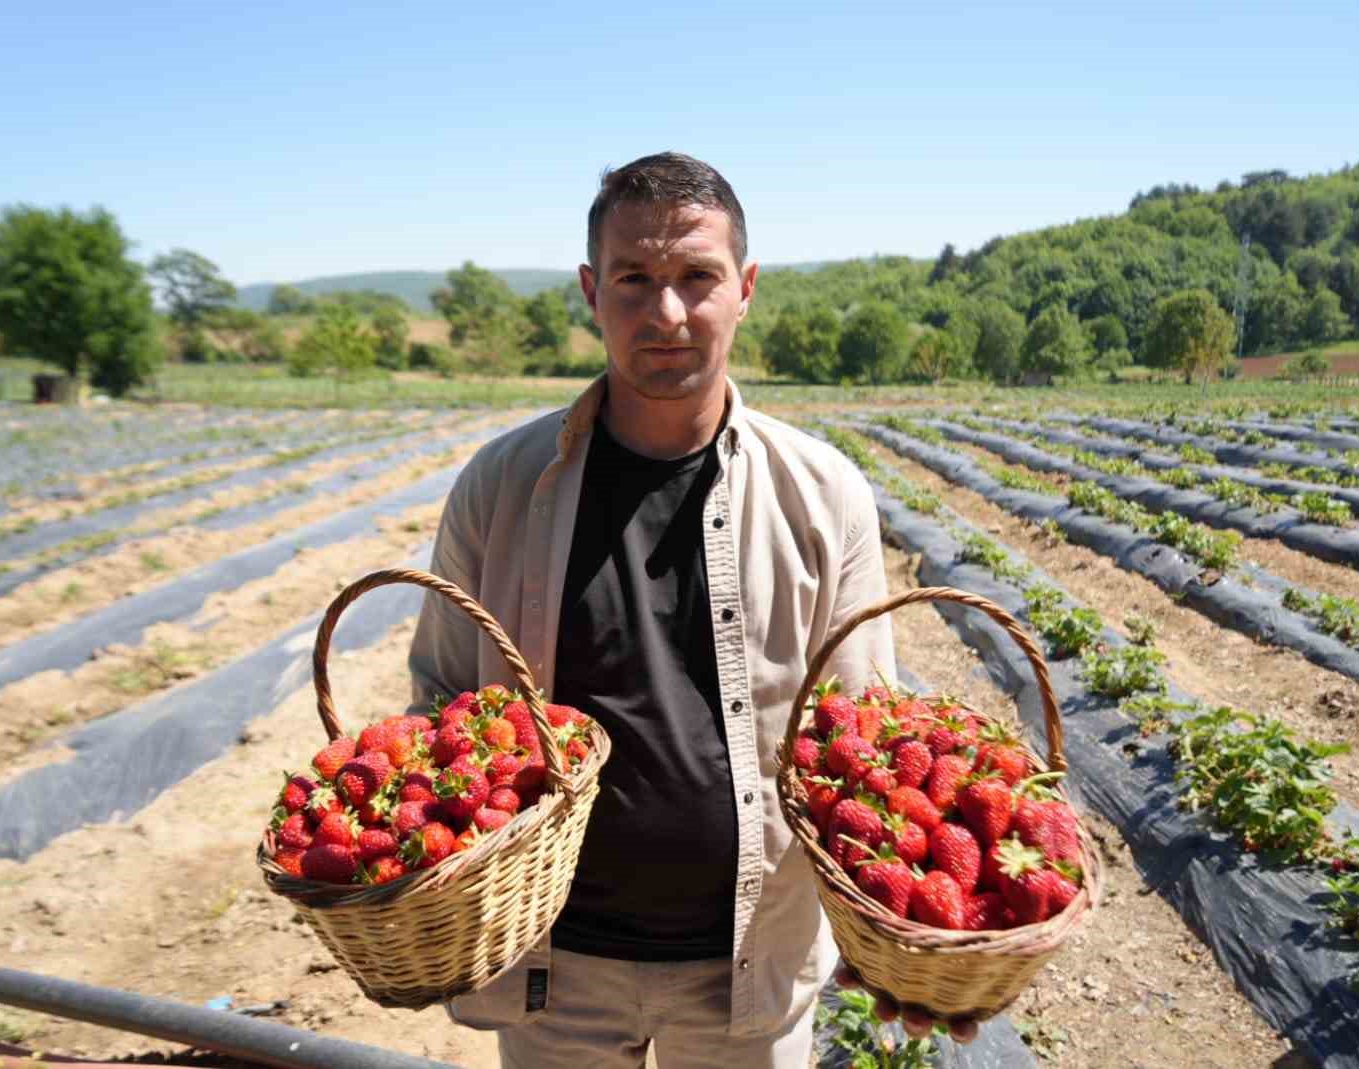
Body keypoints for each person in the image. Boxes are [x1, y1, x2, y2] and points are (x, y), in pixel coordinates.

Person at [407, 152, 981, 1067]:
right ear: (593, 290)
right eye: (634, 278)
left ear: (745, 288)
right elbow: (440, 700)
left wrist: (902, 935)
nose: (666, 313)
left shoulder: (823, 492)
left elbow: (865, 745)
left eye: (696, 277)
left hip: (749, 967)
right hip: (555, 966)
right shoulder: (505, 486)